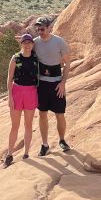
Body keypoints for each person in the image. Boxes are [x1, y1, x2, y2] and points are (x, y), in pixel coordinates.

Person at [33, 15, 71, 154]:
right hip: (41, 85)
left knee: (59, 114)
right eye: (38, 29)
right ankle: (44, 144)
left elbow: (67, 63)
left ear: (49, 28)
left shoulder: (59, 42)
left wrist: (63, 82)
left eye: (42, 29)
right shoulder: (35, 43)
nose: (40, 32)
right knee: (42, 113)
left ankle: (62, 140)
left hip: (56, 84)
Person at [4, 33, 39, 167]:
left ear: (32, 44)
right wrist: (10, 97)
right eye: (25, 42)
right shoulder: (15, 58)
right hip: (17, 91)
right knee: (15, 125)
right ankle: (9, 154)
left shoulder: (36, 58)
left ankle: (26, 153)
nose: (27, 45)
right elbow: (9, 78)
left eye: (29, 42)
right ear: (21, 44)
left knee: (28, 125)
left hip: (31, 92)